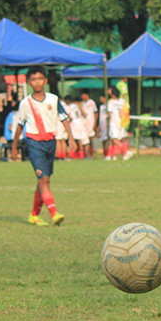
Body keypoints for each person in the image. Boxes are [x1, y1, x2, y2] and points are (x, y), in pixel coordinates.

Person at [11, 66, 74, 226]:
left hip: (50, 142)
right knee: (44, 179)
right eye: (33, 79)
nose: (37, 82)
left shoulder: (53, 99)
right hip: (34, 143)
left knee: (43, 180)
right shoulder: (26, 103)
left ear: (45, 81)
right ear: (29, 82)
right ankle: (54, 213)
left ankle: (34, 215)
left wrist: (71, 138)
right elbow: (20, 124)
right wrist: (14, 146)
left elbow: (63, 117)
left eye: (40, 79)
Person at [79, 90, 98, 158]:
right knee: (85, 140)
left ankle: (91, 154)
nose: (81, 96)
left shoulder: (92, 102)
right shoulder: (82, 103)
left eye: (82, 95)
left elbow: (96, 113)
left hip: (91, 123)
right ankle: (86, 154)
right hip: (84, 124)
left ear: (86, 95)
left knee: (90, 139)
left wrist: (95, 124)